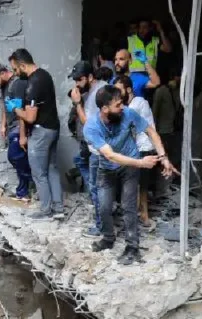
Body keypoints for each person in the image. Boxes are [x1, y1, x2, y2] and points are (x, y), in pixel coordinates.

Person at [83, 85, 175, 265]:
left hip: (129, 169)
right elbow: (110, 155)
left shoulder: (128, 114)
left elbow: (151, 132)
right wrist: (142, 163)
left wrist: (163, 156)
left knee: (128, 207)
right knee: (103, 207)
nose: (123, 107)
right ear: (104, 109)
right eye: (118, 105)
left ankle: (132, 247)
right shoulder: (91, 127)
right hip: (107, 169)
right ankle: (108, 238)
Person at [11, 48, 64, 220]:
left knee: (39, 173)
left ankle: (45, 210)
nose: (15, 73)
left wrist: (16, 109)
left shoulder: (32, 85)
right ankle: (58, 208)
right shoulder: (45, 75)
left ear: (23, 65)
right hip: (53, 128)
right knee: (52, 169)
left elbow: (30, 117)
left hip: (41, 132)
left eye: (15, 69)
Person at [69, 60, 108, 237]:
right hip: (98, 149)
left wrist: (78, 103)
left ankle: (102, 227)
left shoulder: (96, 95)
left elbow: (88, 125)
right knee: (99, 187)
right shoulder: (97, 89)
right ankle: (104, 222)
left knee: (97, 188)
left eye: (80, 79)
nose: (77, 84)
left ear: (90, 77)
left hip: (100, 152)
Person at [113, 75, 157, 229]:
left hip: (144, 148)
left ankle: (142, 215)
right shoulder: (130, 104)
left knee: (140, 185)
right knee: (136, 184)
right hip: (137, 147)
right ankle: (138, 214)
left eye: (119, 91)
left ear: (129, 89)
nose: (117, 95)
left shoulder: (137, 104)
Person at [0, 62, 31, 199]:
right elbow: (7, 106)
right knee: (20, 158)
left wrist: (22, 133)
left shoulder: (16, 84)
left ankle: (31, 179)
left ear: (2, 73)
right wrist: (3, 125)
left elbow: (21, 110)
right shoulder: (4, 86)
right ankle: (23, 192)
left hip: (20, 125)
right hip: (12, 125)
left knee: (14, 156)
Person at [127, 19, 172, 91]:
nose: (142, 30)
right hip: (135, 80)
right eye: (140, 27)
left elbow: (168, 49)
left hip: (151, 79)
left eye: (145, 27)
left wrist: (161, 31)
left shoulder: (155, 41)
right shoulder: (130, 40)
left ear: (150, 28)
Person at [152, 69, 182, 173]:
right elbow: (154, 112)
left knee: (173, 156)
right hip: (163, 130)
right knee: (163, 157)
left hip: (173, 129)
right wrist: (154, 131)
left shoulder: (180, 91)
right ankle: (162, 185)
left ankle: (167, 182)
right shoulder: (161, 91)